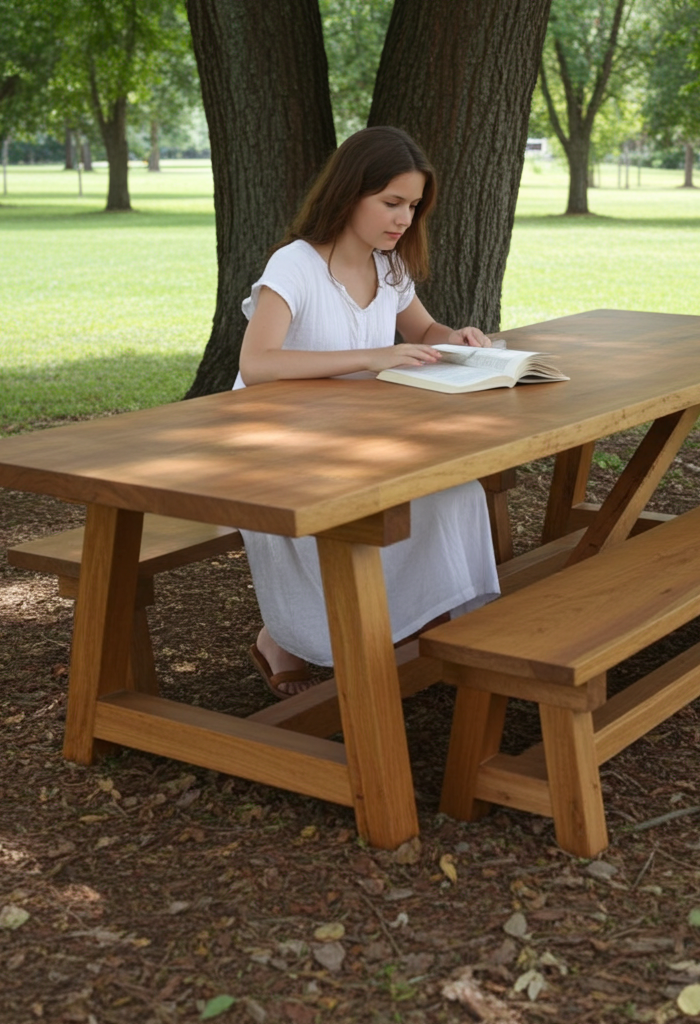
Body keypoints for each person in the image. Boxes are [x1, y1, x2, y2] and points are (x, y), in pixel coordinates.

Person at [234, 125, 501, 699]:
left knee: (455, 491)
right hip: (273, 443)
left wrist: (455, 337)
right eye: (391, 203)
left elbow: (423, 329)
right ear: (350, 192)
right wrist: (374, 356)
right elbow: (257, 364)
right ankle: (294, 636)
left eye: (412, 206)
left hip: (351, 435)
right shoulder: (296, 264)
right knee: (367, 513)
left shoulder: (390, 267)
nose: (403, 219)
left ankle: (418, 627)